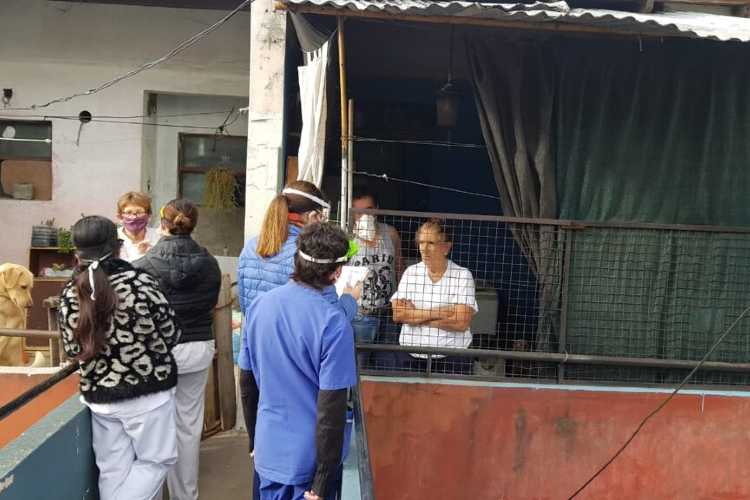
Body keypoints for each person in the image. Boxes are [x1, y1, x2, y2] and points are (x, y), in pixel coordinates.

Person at [57, 215, 180, 500]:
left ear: (77, 254)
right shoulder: (141, 282)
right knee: (157, 461)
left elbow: (72, 350)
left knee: (112, 470)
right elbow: (172, 333)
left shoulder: (70, 292)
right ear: (117, 247)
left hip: (101, 398)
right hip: (149, 394)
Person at [237, 181, 359, 443]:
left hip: (261, 355)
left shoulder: (251, 247)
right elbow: (330, 316)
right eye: (321, 217)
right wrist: (351, 299)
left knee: (268, 430)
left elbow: (246, 304)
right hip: (300, 362)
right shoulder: (306, 254)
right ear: (312, 216)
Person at [243, 223, 357, 500]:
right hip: (308, 464)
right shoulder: (333, 323)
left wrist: (254, 440)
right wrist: (323, 479)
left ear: (297, 258)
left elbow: (246, 383)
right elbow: (331, 408)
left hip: (268, 452)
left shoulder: (259, 305)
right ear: (337, 272)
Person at [133, 199, 221, 500]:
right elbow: (210, 303)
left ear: (162, 223)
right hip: (197, 347)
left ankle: (152, 494)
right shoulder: (210, 264)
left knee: (154, 429)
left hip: (157, 352)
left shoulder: (142, 266)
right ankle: (186, 495)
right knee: (188, 427)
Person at [391, 218, 478, 374]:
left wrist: (416, 317)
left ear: (446, 247)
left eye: (431, 243)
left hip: (452, 358)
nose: (424, 249)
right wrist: (442, 312)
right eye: (421, 242)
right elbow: (398, 314)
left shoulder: (462, 275)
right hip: (411, 355)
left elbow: (461, 322)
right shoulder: (411, 273)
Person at [116, 191, 161, 262]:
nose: (134, 217)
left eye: (139, 212)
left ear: (149, 215)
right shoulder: (113, 238)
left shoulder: (158, 237)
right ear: (120, 216)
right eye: (129, 212)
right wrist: (140, 254)